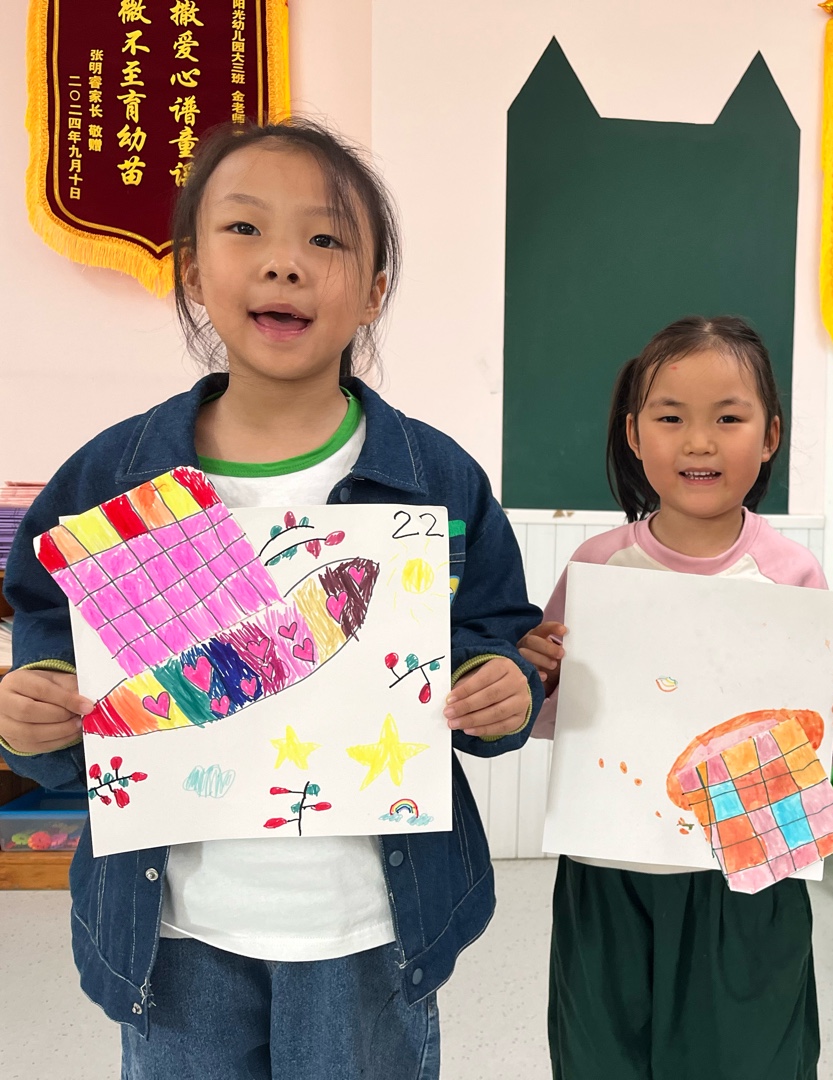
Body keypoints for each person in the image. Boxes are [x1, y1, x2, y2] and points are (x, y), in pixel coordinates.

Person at [0, 120, 542, 1079]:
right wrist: (33, 703)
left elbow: (495, 631)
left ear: (374, 291)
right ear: (193, 270)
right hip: (175, 928)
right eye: (245, 229)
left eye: (325, 239)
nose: (284, 263)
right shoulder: (114, 477)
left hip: (370, 924)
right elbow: (48, 630)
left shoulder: (436, 479)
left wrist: (502, 686)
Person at [517, 315, 833, 1080]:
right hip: (610, 871)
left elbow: (823, 738)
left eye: (729, 419)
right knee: (601, 1058)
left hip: (749, 881)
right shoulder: (598, 565)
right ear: (634, 434)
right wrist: (535, 673)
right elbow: (550, 712)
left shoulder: (793, 576)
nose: (699, 442)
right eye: (671, 417)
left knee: (751, 1058)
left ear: (770, 436)